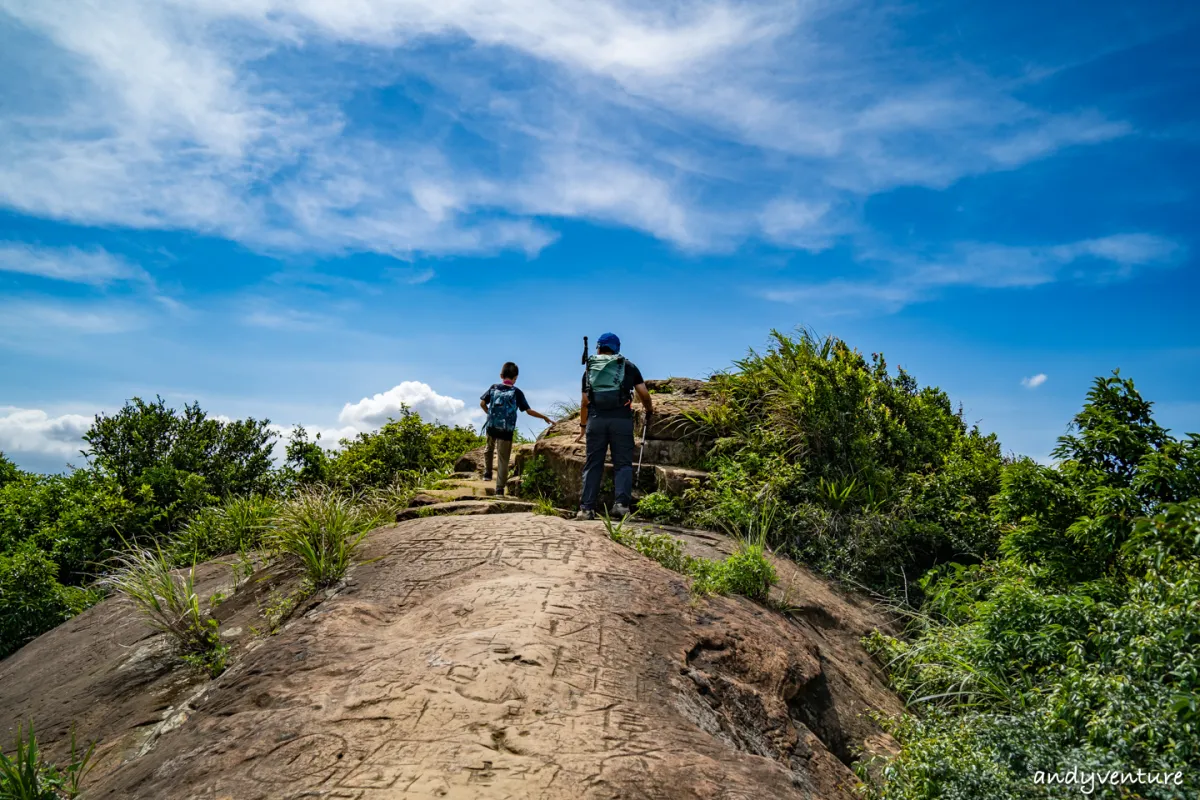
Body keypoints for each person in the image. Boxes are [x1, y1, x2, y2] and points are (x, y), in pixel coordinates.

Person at [575, 332, 653, 520]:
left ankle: (586, 509)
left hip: (596, 419)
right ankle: (621, 506)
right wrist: (649, 409)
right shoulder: (627, 366)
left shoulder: (590, 369)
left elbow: (585, 401)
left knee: (593, 464)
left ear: (599, 348)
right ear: (617, 348)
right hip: (621, 419)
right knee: (623, 464)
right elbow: (643, 393)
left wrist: (583, 426)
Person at [480, 362, 554, 495]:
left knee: (489, 448)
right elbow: (528, 411)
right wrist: (543, 417)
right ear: (516, 378)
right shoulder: (517, 392)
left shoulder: (493, 387)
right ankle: (499, 489)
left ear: (501, 375)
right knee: (503, 459)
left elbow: (482, 403)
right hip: (506, 431)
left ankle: (487, 473)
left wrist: (490, 415)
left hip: (492, 426)